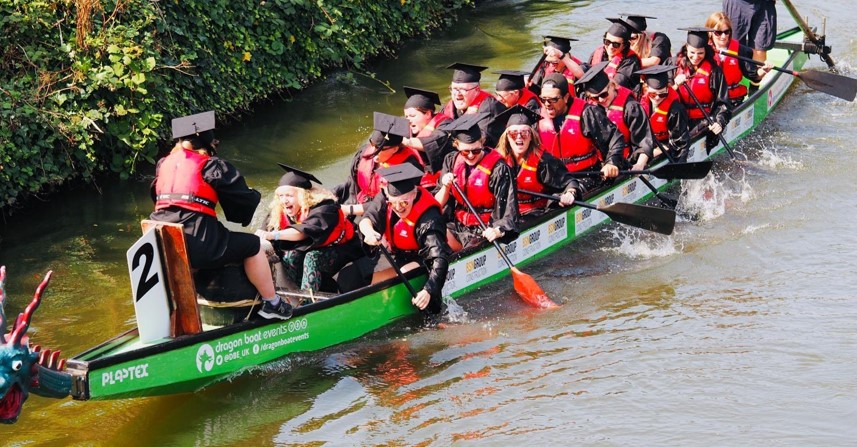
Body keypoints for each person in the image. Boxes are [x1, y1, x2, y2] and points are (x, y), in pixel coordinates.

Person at [150, 111, 292, 320]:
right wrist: (253, 195)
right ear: (207, 141)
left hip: (161, 241)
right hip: (198, 241)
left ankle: (184, 309)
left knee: (218, 240)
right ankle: (273, 304)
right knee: (251, 244)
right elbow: (241, 200)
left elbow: (159, 195)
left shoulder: (164, 164)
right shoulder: (210, 166)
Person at [359, 163, 452, 317]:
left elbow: (439, 258)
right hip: (396, 252)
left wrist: (429, 290)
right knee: (366, 277)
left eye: (403, 203)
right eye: (393, 203)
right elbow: (366, 219)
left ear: (414, 194)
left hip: (421, 257)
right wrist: (369, 232)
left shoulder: (429, 218)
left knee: (404, 272)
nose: (398, 208)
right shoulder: (385, 196)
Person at [257, 165, 364, 293]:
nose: (284, 201)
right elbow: (265, 233)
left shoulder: (325, 207)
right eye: (280, 196)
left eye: (289, 196)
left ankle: (308, 302)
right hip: (314, 249)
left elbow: (303, 233)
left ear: (303, 195)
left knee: (312, 257)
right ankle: (299, 293)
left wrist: (274, 235)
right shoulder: (278, 211)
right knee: (291, 256)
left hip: (343, 248)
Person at [434, 113, 518, 252]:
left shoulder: (499, 169)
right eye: (465, 152)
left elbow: (508, 210)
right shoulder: (451, 161)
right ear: (457, 146)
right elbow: (437, 204)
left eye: (476, 150)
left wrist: (497, 230)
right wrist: (445, 187)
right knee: (435, 230)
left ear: (482, 143)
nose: (471, 155)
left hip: (485, 228)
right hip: (459, 224)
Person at [536, 73, 626, 194]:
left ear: (566, 97)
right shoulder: (536, 118)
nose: (547, 104)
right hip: (555, 178)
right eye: (543, 99)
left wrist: (612, 163)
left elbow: (615, 138)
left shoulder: (588, 113)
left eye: (553, 99)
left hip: (586, 175)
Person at [493, 105, 581, 217]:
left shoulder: (543, 161)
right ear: (507, 137)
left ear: (531, 136)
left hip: (534, 212)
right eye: (514, 133)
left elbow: (568, 182)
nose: (519, 137)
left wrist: (570, 193)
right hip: (506, 215)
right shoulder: (496, 162)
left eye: (524, 133)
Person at [333, 112, 424, 216]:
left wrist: (351, 210)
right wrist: (333, 193)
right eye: (373, 144)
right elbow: (353, 182)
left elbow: (392, 203)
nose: (373, 151)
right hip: (358, 202)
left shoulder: (408, 167)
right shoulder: (365, 152)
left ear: (395, 149)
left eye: (380, 148)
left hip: (385, 215)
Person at [578, 61, 656, 172]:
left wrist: (639, 165)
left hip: (628, 162)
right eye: (595, 98)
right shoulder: (591, 111)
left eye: (604, 94)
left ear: (612, 86)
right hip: (603, 165)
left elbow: (644, 141)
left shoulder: (631, 108)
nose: (601, 100)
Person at [673, 27, 732, 151]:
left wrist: (719, 122)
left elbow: (723, 103)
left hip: (703, 120)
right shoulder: (674, 66)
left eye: (700, 53)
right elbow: (663, 95)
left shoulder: (715, 72)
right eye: (692, 52)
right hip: (678, 119)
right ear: (686, 49)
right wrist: (675, 85)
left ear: (706, 52)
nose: (695, 57)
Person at [707, 11, 774, 101]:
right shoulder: (702, 50)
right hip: (710, 98)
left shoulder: (740, 50)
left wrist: (764, 70)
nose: (723, 36)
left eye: (726, 32)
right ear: (710, 32)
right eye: (718, 33)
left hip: (733, 98)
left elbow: (753, 75)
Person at [440, 62, 507, 147]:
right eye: (454, 89)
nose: (457, 94)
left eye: (463, 89)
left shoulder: (489, 108)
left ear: (477, 90)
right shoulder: (449, 107)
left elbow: (481, 141)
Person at [400, 86, 453, 189]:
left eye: (412, 116)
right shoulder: (408, 127)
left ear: (428, 114)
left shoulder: (445, 124)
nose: (408, 120)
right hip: (416, 173)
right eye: (406, 117)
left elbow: (433, 142)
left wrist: (404, 141)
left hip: (440, 177)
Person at [636, 65, 691, 162]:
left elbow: (680, 141)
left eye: (662, 94)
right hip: (645, 142)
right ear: (646, 89)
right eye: (652, 94)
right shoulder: (638, 102)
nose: (657, 98)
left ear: (668, 89)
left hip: (667, 142)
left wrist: (680, 163)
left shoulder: (675, 108)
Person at [579, 18, 644, 97]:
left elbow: (617, 84)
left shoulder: (631, 61)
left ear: (624, 46)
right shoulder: (597, 53)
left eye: (616, 44)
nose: (610, 47)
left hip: (619, 99)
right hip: (597, 96)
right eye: (607, 42)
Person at [722, 0, 777, 64]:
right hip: (736, 3)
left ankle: (756, 73)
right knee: (734, 47)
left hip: (765, 4)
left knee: (760, 48)